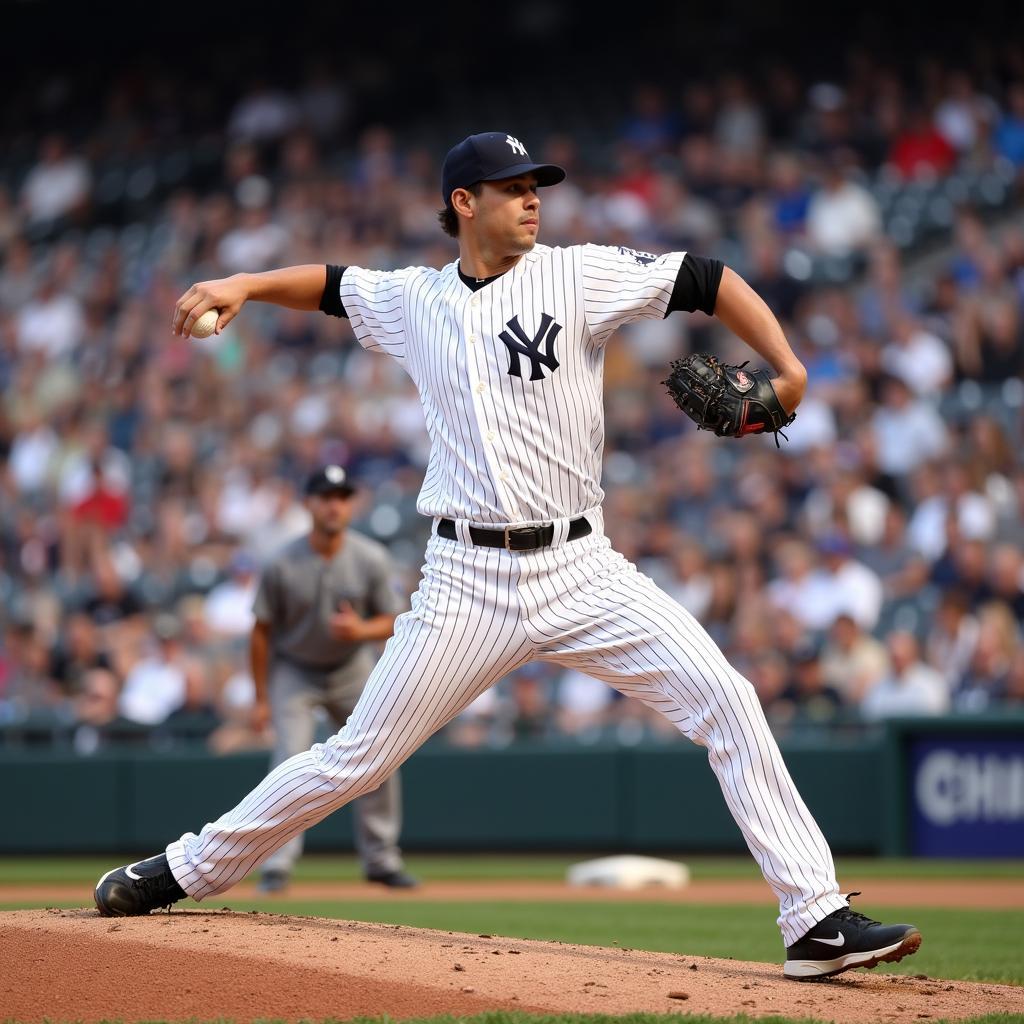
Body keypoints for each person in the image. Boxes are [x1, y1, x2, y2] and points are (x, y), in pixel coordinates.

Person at [94, 130, 920, 980]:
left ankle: (814, 920)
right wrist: (242, 285)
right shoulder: (416, 299)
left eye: (537, 186)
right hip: (466, 582)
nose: (533, 198)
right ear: (464, 203)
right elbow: (332, 286)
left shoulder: (577, 274)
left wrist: (788, 367)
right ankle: (185, 868)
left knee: (729, 700)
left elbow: (707, 278)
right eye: (512, 186)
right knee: (357, 757)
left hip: (583, 567)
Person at [251, 464, 414, 891]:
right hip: (295, 670)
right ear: (309, 503)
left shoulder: (370, 557)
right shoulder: (281, 562)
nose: (334, 505)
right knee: (289, 757)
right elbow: (261, 632)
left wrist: (361, 630)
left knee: (380, 754)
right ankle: (277, 863)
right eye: (325, 496)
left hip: (350, 667)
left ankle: (381, 859)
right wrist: (261, 698)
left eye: (341, 497)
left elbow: (395, 618)